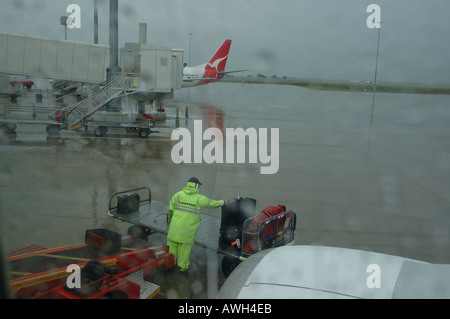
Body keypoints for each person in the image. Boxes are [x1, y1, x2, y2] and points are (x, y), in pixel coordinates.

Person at [167, 177, 227, 272]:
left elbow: (170, 210)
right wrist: (223, 202)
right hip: (187, 232)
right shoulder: (199, 199)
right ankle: (182, 269)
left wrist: (170, 219)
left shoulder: (178, 195)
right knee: (184, 252)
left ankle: (169, 268)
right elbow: (212, 204)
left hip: (174, 229)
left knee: (171, 250)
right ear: (197, 186)